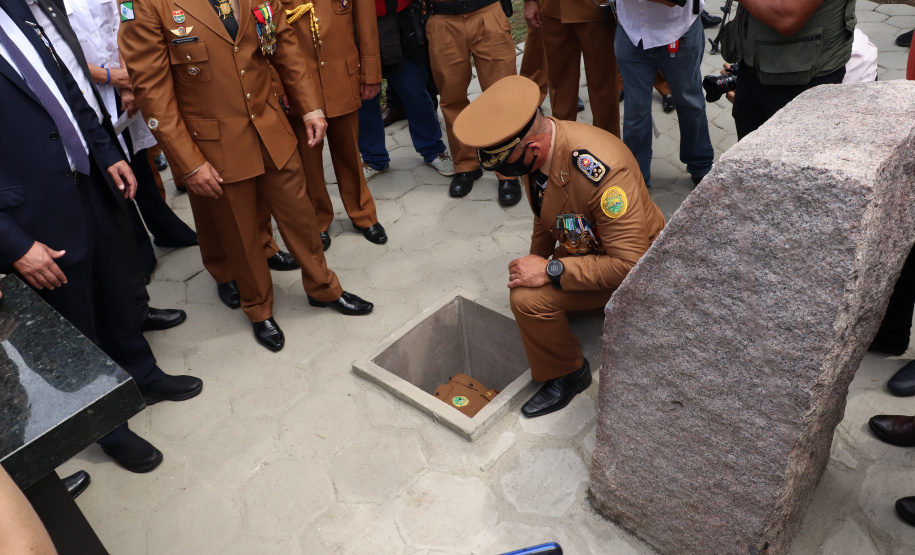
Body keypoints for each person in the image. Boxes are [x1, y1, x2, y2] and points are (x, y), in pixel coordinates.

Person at [0, 0, 203, 472]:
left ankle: (144, 376)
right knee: (77, 326)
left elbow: (66, 89)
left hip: (89, 179)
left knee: (116, 294)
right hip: (30, 217)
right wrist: (13, 244)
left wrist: (107, 150)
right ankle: (108, 427)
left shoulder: (18, 9)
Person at [119, 0, 374, 353]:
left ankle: (323, 287)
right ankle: (259, 309)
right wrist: (188, 162)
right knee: (240, 232)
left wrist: (310, 105)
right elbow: (153, 90)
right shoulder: (148, 6)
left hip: (270, 124)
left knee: (300, 214)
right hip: (214, 141)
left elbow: (283, 44)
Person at [453, 76, 666, 417]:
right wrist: (535, 258)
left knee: (526, 300)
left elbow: (630, 263)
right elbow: (547, 212)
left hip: (637, 272)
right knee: (530, 278)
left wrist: (550, 270)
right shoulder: (542, 145)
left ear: (532, 149)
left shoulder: (603, 173)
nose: (504, 176)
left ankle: (568, 373)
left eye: (505, 167)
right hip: (592, 245)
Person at [26, 0, 190, 333]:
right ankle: (139, 265)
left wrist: (129, 77)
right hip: (87, 100)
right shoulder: (31, 9)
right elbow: (58, 59)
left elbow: (122, 23)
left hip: (119, 89)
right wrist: (112, 77)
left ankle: (164, 233)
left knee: (139, 168)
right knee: (116, 192)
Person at [282, 0, 388, 250]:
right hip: (298, 81)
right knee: (307, 159)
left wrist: (370, 72)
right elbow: (264, 31)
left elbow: (366, 23)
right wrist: (278, 85)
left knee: (350, 151)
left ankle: (363, 213)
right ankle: (317, 219)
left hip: (342, 74)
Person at [426, 0, 522, 205]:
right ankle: (465, 165)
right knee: (452, 99)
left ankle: (508, 169)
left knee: (502, 97)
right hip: (442, 18)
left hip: (485, 11)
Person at [719, 0, 856, 140]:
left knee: (796, 153)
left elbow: (786, 17)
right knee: (748, 155)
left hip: (803, 79)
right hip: (754, 67)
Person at [615, 0, 714, 187]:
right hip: (631, 31)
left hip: (678, 30)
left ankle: (700, 165)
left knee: (690, 102)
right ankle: (637, 176)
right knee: (635, 111)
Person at [357, 0, 455, 185]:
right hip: (356, 26)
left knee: (415, 92)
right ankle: (373, 159)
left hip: (401, 21)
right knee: (364, 99)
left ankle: (433, 149)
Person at [524, 0, 619, 136]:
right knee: (559, 85)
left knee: (603, 85)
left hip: (595, 8)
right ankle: (563, 144)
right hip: (552, 8)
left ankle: (608, 144)